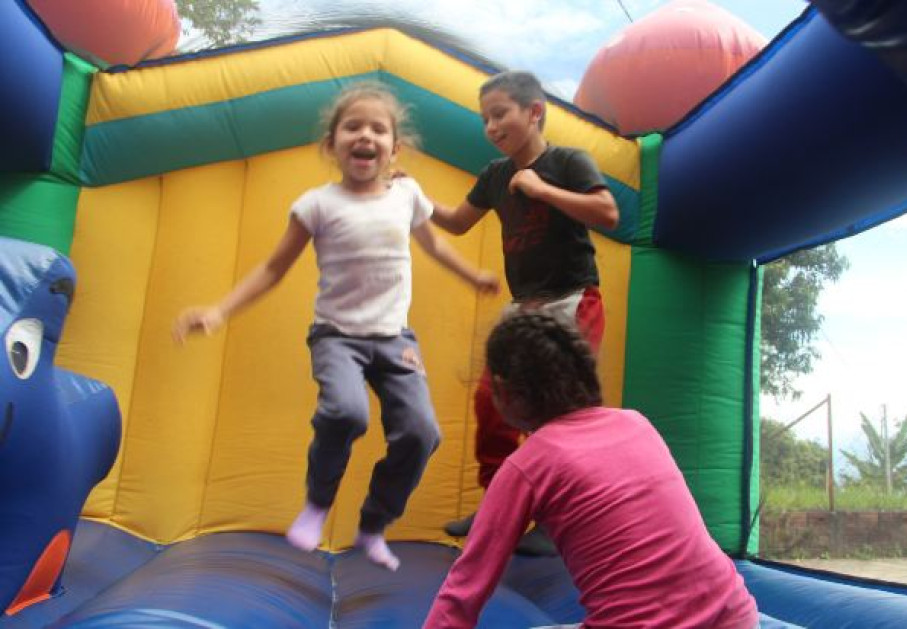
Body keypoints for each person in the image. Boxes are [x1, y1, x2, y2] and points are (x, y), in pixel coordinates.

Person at [173, 82, 499, 572]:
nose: (365, 136)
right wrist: (219, 311)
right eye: (353, 127)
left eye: (378, 129)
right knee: (346, 413)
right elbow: (273, 268)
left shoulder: (406, 194)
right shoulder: (316, 205)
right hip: (337, 337)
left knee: (421, 432)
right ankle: (318, 502)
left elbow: (434, 246)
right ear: (332, 144)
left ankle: (374, 523)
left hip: (394, 339)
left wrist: (472, 276)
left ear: (395, 148)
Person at [423, 312, 760, 629]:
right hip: (737, 616)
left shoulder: (528, 465)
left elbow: (464, 591)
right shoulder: (636, 423)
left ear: (502, 389)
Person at [432, 70, 619, 554]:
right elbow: (457, 221)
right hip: (524, 304)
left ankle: (557, 521)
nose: (491, 127)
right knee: (491, 399)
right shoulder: (495, 175)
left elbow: (608, 212)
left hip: (572, 297)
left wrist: (543, 190)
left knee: (561, 410)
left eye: (500, 114)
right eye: (485, 119)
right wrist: (413, 200)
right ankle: (500, 506)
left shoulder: (567, 161)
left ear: (534, 111)